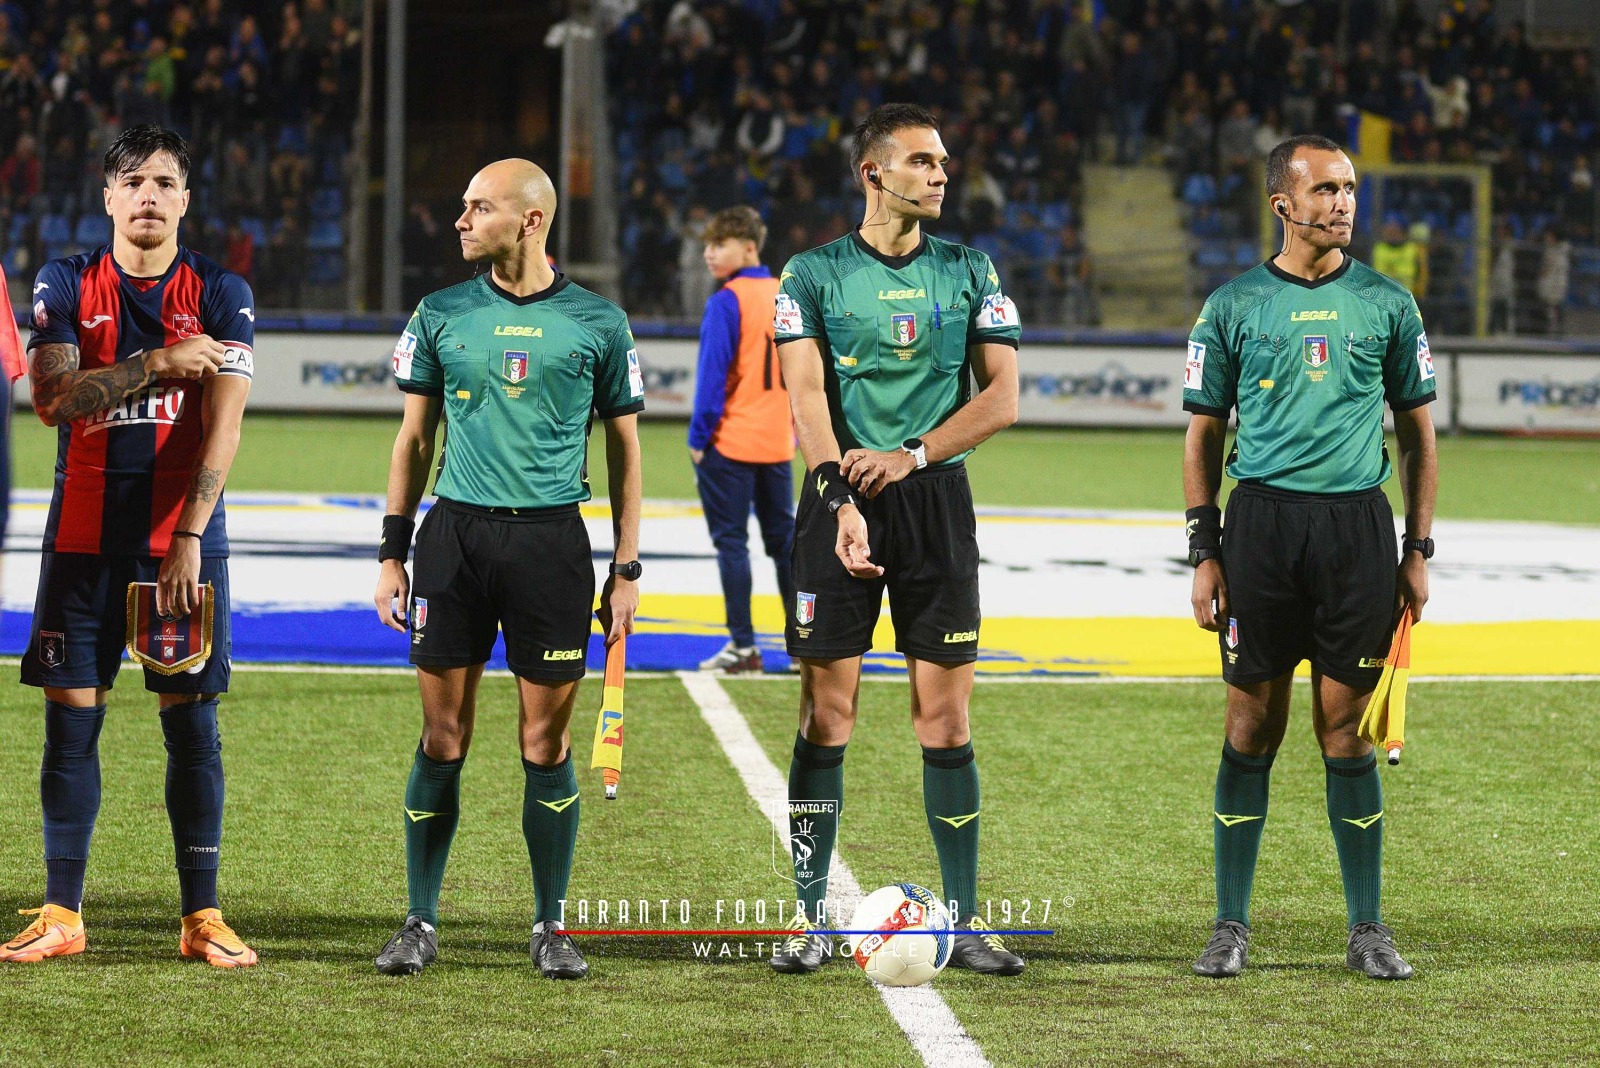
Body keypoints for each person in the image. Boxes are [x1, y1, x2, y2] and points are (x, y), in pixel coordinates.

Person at [372, 159, 644, 980]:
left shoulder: (599, 323)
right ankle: (420, 919)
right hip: (452, 542)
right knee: (441, 734)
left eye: (477, 206)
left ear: (530, 220)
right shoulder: (439, 312)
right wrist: (392, 551)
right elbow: (413, 441)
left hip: (552, 548)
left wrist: (627, 565)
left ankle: (550, 924)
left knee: (543, 740)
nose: (460, 219)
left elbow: (628, 454)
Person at [770, 103, 1024, 976]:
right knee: (826, 714)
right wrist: (840, 496)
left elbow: (1002, 399)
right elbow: (805, 402)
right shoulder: (810, 276)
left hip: (934, 505)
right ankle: (807, 919)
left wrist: (912, 455)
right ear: (873, 174)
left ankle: (966, 916)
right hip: (838, 502)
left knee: (944, 719)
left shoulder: (970, 270)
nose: (942, 173)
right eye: (922, 160)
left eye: (944, 161)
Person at [2, 125, 258, 968]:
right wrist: (155, 361)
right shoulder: (66, 280)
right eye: (132, 181)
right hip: (79, 541)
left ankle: (202, 917)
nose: (148, 195)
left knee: (191, 724)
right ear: (108, 197)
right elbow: (51, 399)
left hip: (177, 545)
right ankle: (61, 914)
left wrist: (189, 534)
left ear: (186, 199)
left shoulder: (222, 292)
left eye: (164, 181)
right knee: (70, 721)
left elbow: (223, 428)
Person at [1182, 135, 1437, 981]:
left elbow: (1418, 437)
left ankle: (1367, 928)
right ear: (1282, 204)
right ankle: (1229, 925)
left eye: (1351, 188)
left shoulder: (1389, 303)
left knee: (1347, 735)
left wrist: (1417, 548)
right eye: (1325, 189)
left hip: (1357, 534)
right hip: (1259, 530)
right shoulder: (1233, 306)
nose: (1344, 202)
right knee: (1250, 725)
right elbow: (1204, 435)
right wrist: (1204, 549)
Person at [689, 205, 796, 673]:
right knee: (785, 544)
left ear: (748, 247)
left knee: (731, 544)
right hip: (778, 444)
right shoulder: (786, 296)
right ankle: (804, 645)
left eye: (719, 244)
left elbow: (712, 379)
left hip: (730, 443)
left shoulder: (727, 300)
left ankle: (743, 646)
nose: (709, 254)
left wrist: (699, 438)